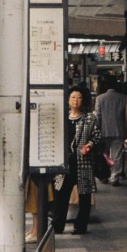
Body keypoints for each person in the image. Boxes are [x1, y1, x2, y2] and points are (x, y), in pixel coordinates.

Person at [50, 85, 101, 235]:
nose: (76, 100)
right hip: (64, 162)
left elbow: (97, 136)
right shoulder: (62, 117)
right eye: (73, 97)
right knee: (61, 194)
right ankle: (57, 224)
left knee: (84, 195)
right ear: (67, 100)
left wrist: (89, 145)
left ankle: (80, 225)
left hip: (83, 162)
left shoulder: (90, 118)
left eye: (79, 97)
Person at [95, 81, 127, 186]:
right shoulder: (124, 98)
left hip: (104, 130)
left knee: (104, 154)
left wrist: (97, 130)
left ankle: (104, 175)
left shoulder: (100, 98)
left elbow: (98, 116)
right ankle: (114, 177)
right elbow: (126, 115)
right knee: (117, 154)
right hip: (119, 129)